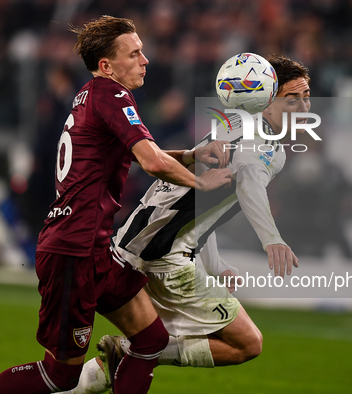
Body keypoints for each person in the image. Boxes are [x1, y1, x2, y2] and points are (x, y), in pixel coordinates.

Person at [0, 16, 232, 394]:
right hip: (73, 250)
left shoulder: (92, 94)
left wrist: (190, 154)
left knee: (150, 340)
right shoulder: (112, 95)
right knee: (59, 375)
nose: (145, 60)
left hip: (94, 249)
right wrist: (201, 183)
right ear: (106, 65)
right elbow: (153, 162)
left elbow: (143, 155)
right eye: (134, 53)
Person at [61, 54, 310, 394]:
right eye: (291, 98)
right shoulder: (264, 148)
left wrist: (216, 265)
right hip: (163, 259)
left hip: (134, 248)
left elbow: (198, 212)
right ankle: (125, 354)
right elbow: (249, 184)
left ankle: (87, 377)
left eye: (307, 95)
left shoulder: (229, 126)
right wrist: (272, 239)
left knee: (147, 339)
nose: (303, 105)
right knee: (246, 343)